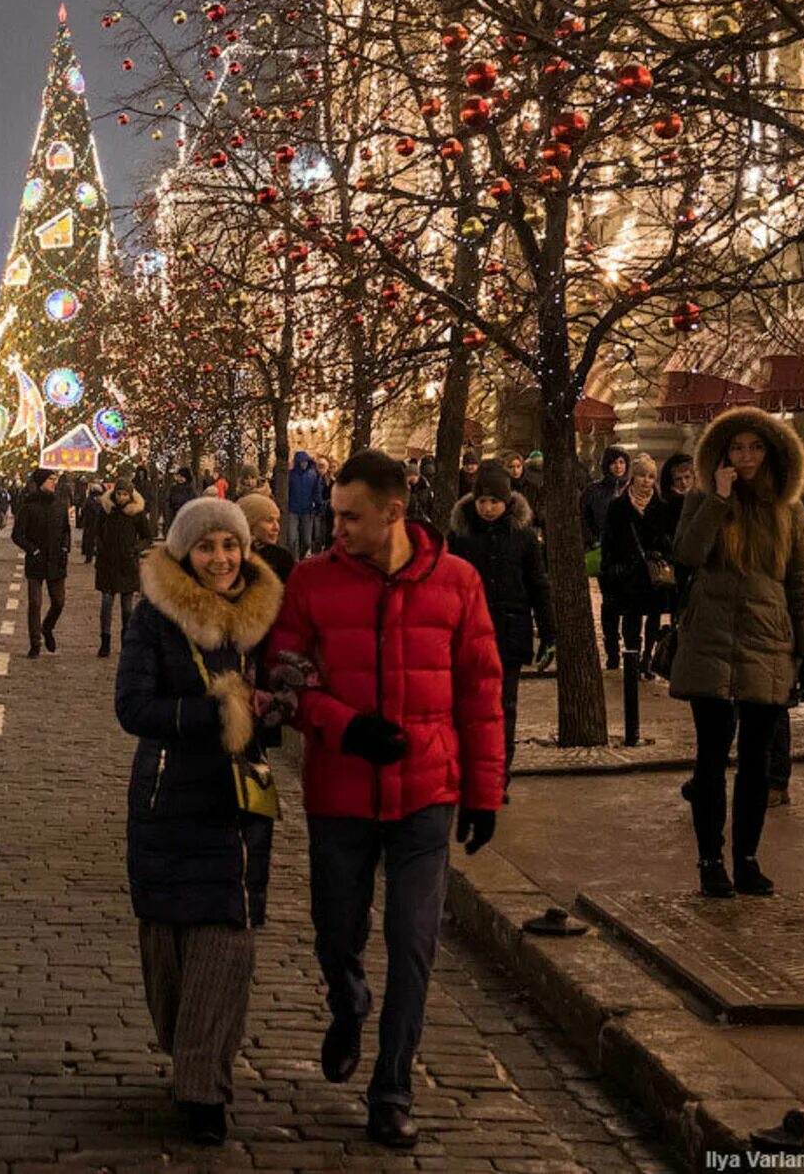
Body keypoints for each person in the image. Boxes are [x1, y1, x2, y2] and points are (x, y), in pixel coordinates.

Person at [267, 450, 504, 1150]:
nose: (334, 526)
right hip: (340, 789)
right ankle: (347, 1002)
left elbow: (482, 693)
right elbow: (286, 680)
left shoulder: (458, 582)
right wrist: (344, 725)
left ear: (394, 512)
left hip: (427, 792)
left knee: (414, 942)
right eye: (333, 513)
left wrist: (486, 791)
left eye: (349, 516)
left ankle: (392, 1087)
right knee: (336, 931)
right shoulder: (311, 582)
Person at [115, 497, 283, 1147]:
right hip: (168, 795)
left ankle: (204, 1086)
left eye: (230, 545)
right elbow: (132, 705)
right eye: (208, 546)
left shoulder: (264, 614)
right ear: (186, 551)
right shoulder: (156, 617)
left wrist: (277, 700)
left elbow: (292, 684)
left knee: (229, 936)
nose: (221, 557)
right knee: (170, 941)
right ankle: (187, 1046)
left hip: (243, 796)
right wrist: (211, 711)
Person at [669, 409, 804, 899]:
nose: (747, 457)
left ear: (772, 451)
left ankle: (748, 859)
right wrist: (717, 499)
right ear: (722, 453)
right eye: (737, 448)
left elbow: (803, 581)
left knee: (757, 760)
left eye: (756, 447)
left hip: (767, 642)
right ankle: (710, 861)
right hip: (710, 640)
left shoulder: (789, 507)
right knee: (710, 758)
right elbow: (687, 554)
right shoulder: (703, 498)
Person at [447, 464, 551, 787]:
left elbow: (538, 585)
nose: (488, 508)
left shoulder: (522, 537)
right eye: (482, 501)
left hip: (509, 634)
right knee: (470, 706)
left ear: (507, 501)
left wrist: (549, 633)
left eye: (494, 501)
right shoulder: (461, 536)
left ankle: (498, 773)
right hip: (469, 636)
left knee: (505, 707)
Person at [600, 454, 671, 678]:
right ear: (633, 477)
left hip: (652, 571)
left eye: (650, 476)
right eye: (641, 475)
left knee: (653, 616)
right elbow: (609, 540)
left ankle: (646, 659)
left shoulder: (661, 506)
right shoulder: (619, 506)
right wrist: (611, 568)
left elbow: (668, 537)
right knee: (631, 617)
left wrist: (662, 554)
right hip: (627, 571)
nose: (646, 481)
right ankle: (631, 656)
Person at [12, 467, 72, 657]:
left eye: (54, 479)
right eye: (50, 479)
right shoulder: (29, 506)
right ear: (40, 483)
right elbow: (17, 535)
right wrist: (33, 550)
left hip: (56, 560)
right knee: (35, 603)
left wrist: (64, 548)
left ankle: (47, 627)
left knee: (59, 602)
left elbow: (66, 531)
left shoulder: (60, 505)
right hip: (36, 561)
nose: (54, 482)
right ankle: (35, 642)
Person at [92, 476, 152, 656]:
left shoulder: (136, 514)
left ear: (130, 495)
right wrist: (100, 547)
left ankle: (126, 641)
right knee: (106, 603)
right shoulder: (106, 510)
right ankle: (105, 640)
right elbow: (97, 531)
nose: (121, 498)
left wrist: (136, 549)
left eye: (125, 494)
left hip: (127, 564)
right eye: (119, 494)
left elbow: (147, 537)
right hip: (107, 563)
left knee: (127, 607)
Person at [583, 446, 631, 668]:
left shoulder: (633, 488)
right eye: (614, 462)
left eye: (622, 462)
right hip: (605, 554)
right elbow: (583, 519)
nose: (618, 467)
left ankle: (633, 652)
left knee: (631, 604)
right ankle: (612, 651)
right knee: (610, 602)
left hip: (630, 556)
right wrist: (593, 540)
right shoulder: (594, 491)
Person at [656, 453, 696, 597]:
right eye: (678, 479)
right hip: (676, 560)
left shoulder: (701, 501)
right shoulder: (665, 505)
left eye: (687, 477)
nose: (684, 483)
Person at [238, 491, 296, 582]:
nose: (276, 527)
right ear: (250, 523)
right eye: (269, 520)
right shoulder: (232, 558)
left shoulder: (282, 559)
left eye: (277, 521)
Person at [284, 450, 325, 558]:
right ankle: (295, 560)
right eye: (302, 462)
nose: (304, 464)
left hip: (307, 511)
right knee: (292, 539)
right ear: (297, 462)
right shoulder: (290, 475)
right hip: (293, 510)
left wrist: (318, 505)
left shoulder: (313, 475)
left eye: (306, 461)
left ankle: (302, 557)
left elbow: (317, 492)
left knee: (307, 541)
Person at [77, 481, 106, 564]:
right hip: (93, 523)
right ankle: (90, 556)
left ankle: (89, 556)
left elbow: (83, 511)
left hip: (91, 523)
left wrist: (81, 521)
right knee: (93, 540)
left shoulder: (89, 500)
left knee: (91, 540)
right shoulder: (98, 501)